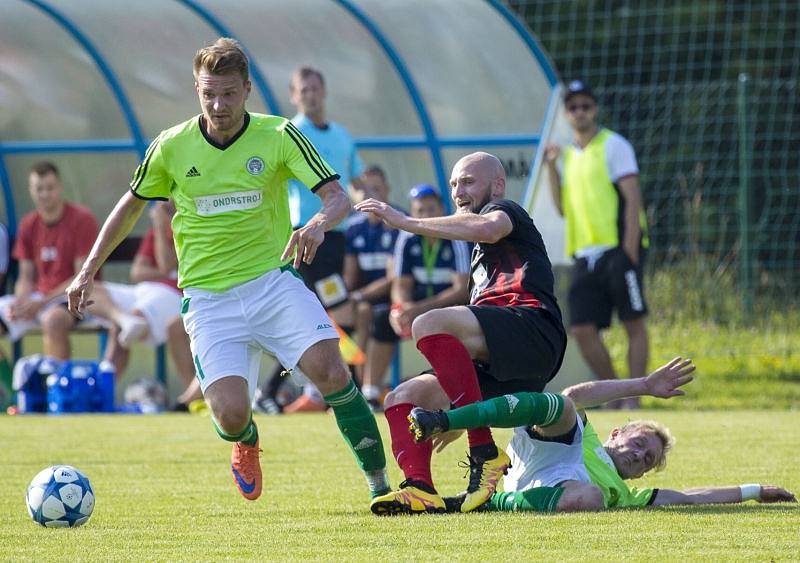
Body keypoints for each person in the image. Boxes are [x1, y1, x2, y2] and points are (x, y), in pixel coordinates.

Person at [65, 37, 389, 503]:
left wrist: (318, 224)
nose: (218, 104)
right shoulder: (172, 145)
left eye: (229, 93)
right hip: (208, 298)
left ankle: (381, 487)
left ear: (248, 89)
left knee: (332, 371)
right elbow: (131, 206)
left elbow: (336, 196)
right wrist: (88, 270)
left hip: (273, 282)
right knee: (231, 414)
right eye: (207, 93)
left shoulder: (278, 135)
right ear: (196, 89)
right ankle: (245, 440)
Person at [355, 151, 567, 514]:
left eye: (468, 181)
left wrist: (406, 221)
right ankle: (420, 487)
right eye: (453, 183)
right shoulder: (479, 255)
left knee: (427, 322)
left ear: (497, 185)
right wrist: (457, 400)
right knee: (402, 399)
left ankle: (482, 448)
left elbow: (487, 227)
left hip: (532, 330)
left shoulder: (506, 210)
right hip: (503, 366)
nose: (458, 191)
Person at [408, 357, 797, 512]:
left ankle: (482, 502)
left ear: (642, 476)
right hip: (544, 452)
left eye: (647, 460)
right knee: (564, 405)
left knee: (591, 496)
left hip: (542, 491)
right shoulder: (590, 440)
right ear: (617, 433)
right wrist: (644, 384)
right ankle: (448, 420)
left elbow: (690, 496)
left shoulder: (626, 494)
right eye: (640, 443)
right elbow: (578, 394)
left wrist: (754, 490)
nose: (639, 456)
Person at [256, 65, 366, 414]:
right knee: (342, 315)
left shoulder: (342, 136)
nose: (310, 95)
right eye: (303, 90)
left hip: (338, 238)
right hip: (308, 236)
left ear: (324, 92)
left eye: (314, 88)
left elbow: (356, 180)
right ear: (293, 95)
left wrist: (373, 205)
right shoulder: (287, 133)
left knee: (320, 321)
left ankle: (274, 390)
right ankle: (351, 390)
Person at [545, 80, 650, 409]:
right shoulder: (568, 155)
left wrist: (630, 252)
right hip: (584, 255)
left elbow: (633, 200)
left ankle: (635, 397)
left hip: (617, 250)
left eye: (585, 105)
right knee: (581, 328)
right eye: (573, 107)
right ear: (566, 113)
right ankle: (615, 393)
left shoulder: (614, 145)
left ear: (595, 108)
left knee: (633, 322)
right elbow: (562, 208)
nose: (580, 112)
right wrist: (550, 167)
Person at [360, 184, 470, 410]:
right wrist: (400, 309)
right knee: (383, 319)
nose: (426, 216)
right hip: (417, 308)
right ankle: (370, 395)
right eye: (420, 211)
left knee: (457, 322)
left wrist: (417, 309)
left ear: (441, 209)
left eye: (431, 209)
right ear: (412, 213)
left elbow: (461, 289)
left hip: (449, 307)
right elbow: (400, 284)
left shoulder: (455, 236)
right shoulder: (407, 237)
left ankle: (457, 393)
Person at [85, 201, 201, 407]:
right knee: (89, 290)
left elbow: (166, 265)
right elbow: (137, 272)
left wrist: (159, 226)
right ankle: (122, 317)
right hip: (146, 290)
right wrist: (164, 272)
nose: (162, 201)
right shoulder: (160, 224)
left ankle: (101, 394)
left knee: (123, 327)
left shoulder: (191, 221)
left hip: (175, 292)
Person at [0, 161, 99, 359]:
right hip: (40, 299)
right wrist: (22, 302)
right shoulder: (28, 224)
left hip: (74, 298)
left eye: (50, 188)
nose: (44, 194)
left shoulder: (82, 219)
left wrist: (41, 302)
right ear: (31, 190)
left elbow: (81, 277)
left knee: (53, 320)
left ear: (60, 187)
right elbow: (26, 276)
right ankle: (11, 386)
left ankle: (58, 386)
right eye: (39, 189)